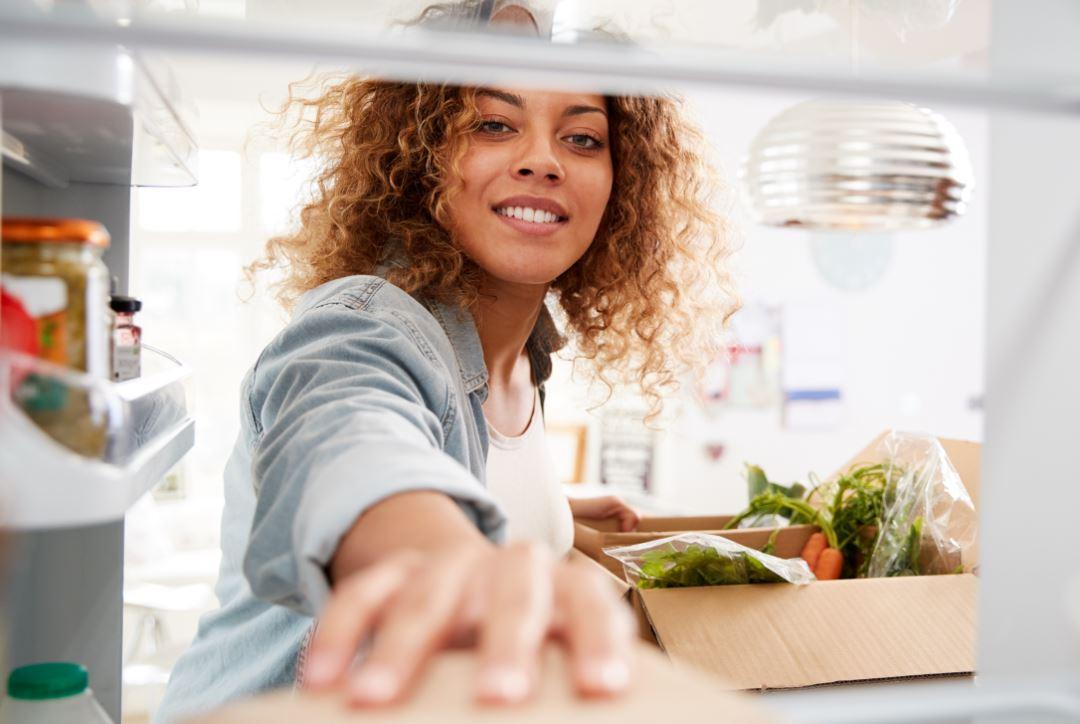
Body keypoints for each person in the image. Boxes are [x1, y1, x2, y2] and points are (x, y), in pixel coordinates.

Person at [155, 3, 736, 721]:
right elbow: (349, 439)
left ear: (620, 187)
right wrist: (446, 560)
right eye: (493, 124)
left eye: (583, 138)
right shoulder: (363, 327)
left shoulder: (528, 352)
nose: (543, 159)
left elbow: (455, 459)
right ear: (421, 156)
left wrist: (551, 514)